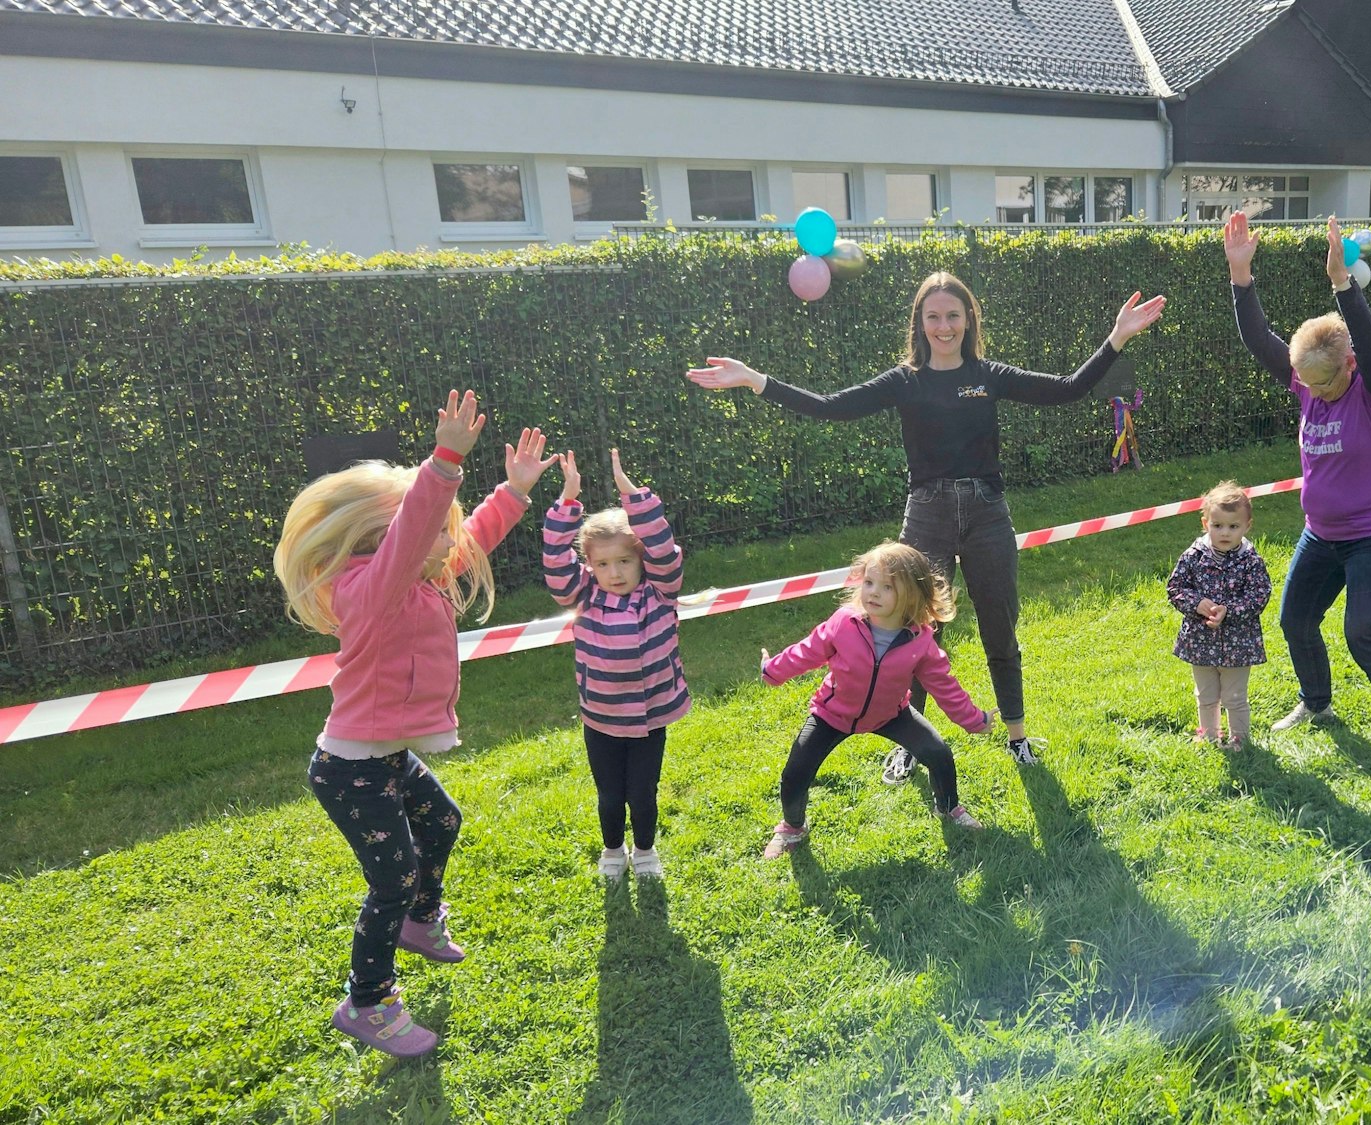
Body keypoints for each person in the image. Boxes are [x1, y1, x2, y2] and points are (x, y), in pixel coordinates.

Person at [688, 272, 1165, 778]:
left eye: (953, 315)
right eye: (933, 316)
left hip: (987, 514)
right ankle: (911, 743)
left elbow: (1068, 389)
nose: (944, 326)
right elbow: (831, 407)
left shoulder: (988, 374)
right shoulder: (905, 381)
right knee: (911, 630)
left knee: (999, 628)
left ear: (968, 320)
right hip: (927, 515)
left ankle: (1018, 736)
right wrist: (755, 379)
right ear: (920, 322)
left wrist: (1117, 338)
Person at [274, 391, 557, 1057]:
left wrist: (513, 492)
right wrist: (445, 461)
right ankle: (367, 1001)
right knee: (391, 879)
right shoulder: (373, 588)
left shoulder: (422, 578)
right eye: (436, 527)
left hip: (388, 756)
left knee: (444, 821)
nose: (450, 540)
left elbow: (471, 536)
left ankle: (421, 921)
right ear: (387, 540)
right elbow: (414, 533)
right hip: (351, 770)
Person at [1223, 211, 1371, 760]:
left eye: (1322, 381)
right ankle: (1316, 701)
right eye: (1304, 382)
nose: (1311, 391)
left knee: (1364, 632)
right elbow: (1256, 339)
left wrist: (1342, 283)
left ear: (1349, 366)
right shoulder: (1310, 384)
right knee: (1296, 619)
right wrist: (1240, 277)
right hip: (1322, 532)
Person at [756, 542, 997, 859]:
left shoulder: (920, 640)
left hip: (891, 714)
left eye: (887, 587)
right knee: (795, 773)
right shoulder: (844, 623)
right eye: (869, 583)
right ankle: (792, 828)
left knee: (938, 753)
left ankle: (949, 809)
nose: (873, 592)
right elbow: (807, 651)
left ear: (911, 592)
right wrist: (772, 671)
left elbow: (945, 686)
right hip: (832, 715)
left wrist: (975, 721)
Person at [543, 448, 691, 881]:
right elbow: (555, 560)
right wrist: (568, 501)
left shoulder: (662, 590)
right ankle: (613, 850)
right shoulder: (581, 595)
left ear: (641, 560)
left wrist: (633, 496)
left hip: (651, 717)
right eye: (603, 563)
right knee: (610, 796)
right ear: (589, 565)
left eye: (625, 560)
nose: (615, 572)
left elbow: (664, 548)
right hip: (602, 719)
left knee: (642, 795)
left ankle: (645, 851)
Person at [1165, 481, 1272, 748]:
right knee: (1206, 694)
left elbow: (1260, 595)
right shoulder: (1193, 556)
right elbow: (1175, 587)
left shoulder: (1251, 561)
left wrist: (1231, 611)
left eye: (1233, 526)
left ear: (1247, 526)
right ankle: (1209, 736)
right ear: (1205, 523)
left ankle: (1240, 741)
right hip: (1200, 640)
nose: (1225, 532)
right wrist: (1196, 602)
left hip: (1238, 643)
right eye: (1217, 526)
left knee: (1235, 696)